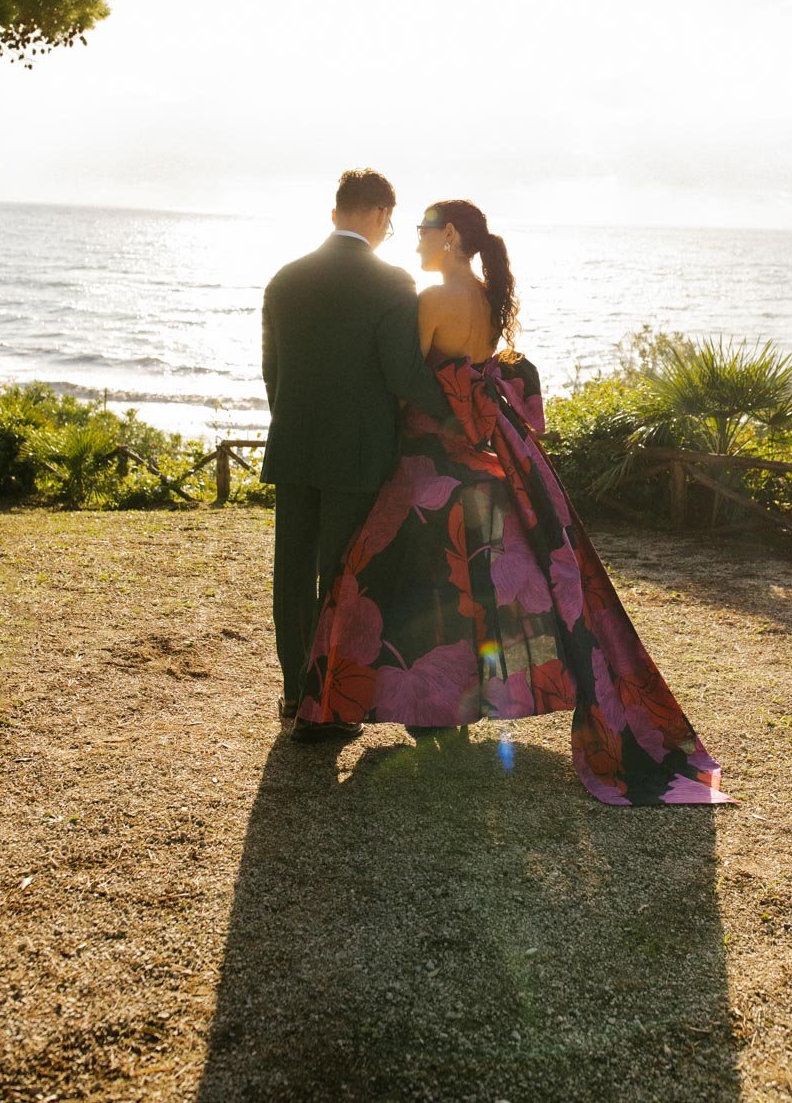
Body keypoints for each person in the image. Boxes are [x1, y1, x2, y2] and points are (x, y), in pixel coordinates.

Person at [295, 198, 733, 806]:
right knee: (472, 588)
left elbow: (407, 386)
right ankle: (451, 708)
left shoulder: (433, 300)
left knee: (385, 579)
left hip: (429, 462)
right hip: (484, 461)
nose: (415, 240)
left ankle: (400, 709)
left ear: (449, 235)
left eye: (422, 230)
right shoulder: (487, 298)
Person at [260, 168, 452, 739]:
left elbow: (273, 373)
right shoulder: (390, 282)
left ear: (336, 212)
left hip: (294, 445)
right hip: (358, 454)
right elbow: (403, 373)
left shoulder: (284, 279)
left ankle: (295, 692)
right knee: (343, 577)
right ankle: (327, 705)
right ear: (380, 214)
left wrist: (295, 424)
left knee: (293, 575)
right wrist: (459, 406)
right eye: (391, 224)